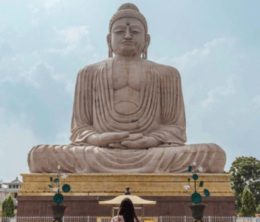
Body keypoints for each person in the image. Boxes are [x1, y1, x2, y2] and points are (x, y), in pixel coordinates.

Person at [28, 3, 226, 173]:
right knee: (39, 155)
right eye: (120, 31)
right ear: (109, 39)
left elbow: (175, 128)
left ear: (147, 40)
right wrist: (98, 139)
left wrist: (149, 141)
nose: (128, 35)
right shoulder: (88, 73)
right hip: (99, 152)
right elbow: (80, 129)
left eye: (135, 31)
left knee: (213, 154)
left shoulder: (168, 74)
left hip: (153, 152)